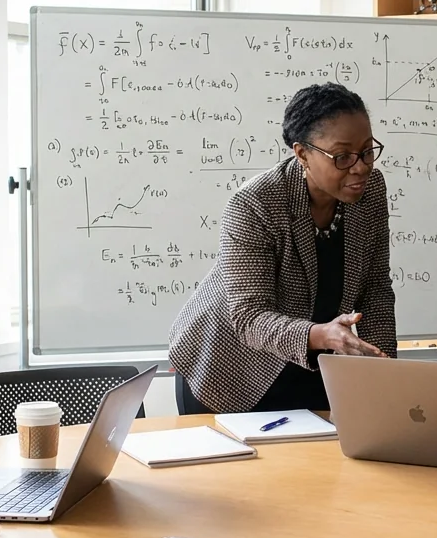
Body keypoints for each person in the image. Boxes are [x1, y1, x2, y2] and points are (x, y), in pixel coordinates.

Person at [167, 82, 396, 414]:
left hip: (313, 365)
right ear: (302, 153)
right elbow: (249, 318)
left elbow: (375, 290)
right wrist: (322, 335)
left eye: (367, 150)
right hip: (230, 369)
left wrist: (385, 372)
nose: (360, 166)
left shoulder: (370, 189)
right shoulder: (255, 202)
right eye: (343, 156)